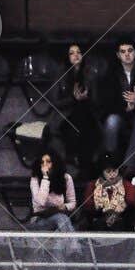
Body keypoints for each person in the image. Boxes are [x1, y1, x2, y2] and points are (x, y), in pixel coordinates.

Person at [99, 39, 135, 175]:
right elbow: (105, 103)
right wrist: (124, 108)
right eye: (123, 51)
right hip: (118, 114)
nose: (127, 54)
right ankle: (111, 164)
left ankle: (129, 167)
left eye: (130, 51)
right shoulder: (110, 74)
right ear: (118, 55)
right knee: (111, 121)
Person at [56, 43, 100, 181]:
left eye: (79, 52)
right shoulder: (61, 74)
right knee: (79, 123)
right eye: (72, 53)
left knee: (84, 120)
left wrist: (87, 97)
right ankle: (84, 167)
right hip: (65, 117)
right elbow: (56, 102)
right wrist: (73, 98)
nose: (76, 55)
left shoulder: (91, 74)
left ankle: (81, 166)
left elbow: (97, 102)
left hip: (88, 115)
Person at [29, 150, 76, 230]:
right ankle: (72, 238)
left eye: (48, 162)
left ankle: (70, 238)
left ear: (55, 163)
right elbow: (41, 202)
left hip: (60, 215)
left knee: (61, 219)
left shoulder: (66, 178)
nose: (44, 165)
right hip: (40, 219)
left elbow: (72, 202)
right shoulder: (35, 179)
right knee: (61, 219)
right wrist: (45, 178)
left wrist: (65, 206)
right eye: (42, 162)